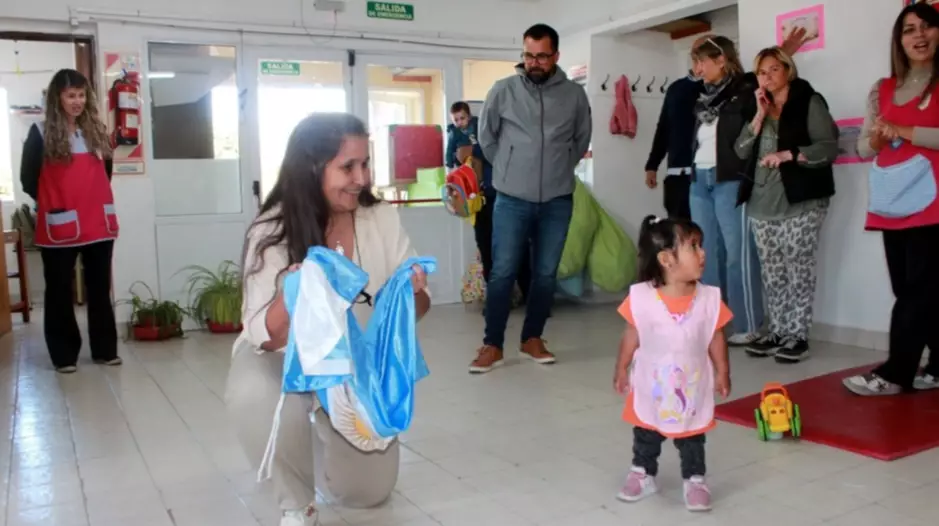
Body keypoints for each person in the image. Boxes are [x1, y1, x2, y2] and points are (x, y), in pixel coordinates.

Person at [225, 113, 431, 526]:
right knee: (252, 391)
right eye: (347, 166)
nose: (361, 178)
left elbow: (420, 307)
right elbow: (263, 336)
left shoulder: (380, 217)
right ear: (312, 168)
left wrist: (409, 296)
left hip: (353, 368)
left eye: (365, 164)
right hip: (281, 359)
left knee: (368, 493)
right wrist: (292, 295)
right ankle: (295, 501)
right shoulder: (271, 229)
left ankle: (322, 436)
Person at [471, 23, 592, 373]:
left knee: (546, 273)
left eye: (542, 56)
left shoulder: (573, 95)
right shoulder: (503, 90)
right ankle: (492, 344)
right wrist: (509, 168)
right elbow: (487, 138)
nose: (534, 63)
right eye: (529, 56)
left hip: (558, 199)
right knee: (502, 272)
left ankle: (532, 339)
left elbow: (581, 139)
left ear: (556, 56)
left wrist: (559, 167)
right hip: (511, 198)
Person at [844, 2, 939, 396]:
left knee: (918, 291)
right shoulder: (881, 89)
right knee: (911, 290)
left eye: (927, 27)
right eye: (909, 29)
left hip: (934, 204)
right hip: (893, 202)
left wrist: (905, 130)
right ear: (899, 40)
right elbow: (863, 148)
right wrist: (880, 138)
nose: (919, 36)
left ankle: (897, 373)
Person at [613, 215, 731, 512]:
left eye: (701, 245)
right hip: (650, 383)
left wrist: (722, 371)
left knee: (692, 435)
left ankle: (695, 479)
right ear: (666, 259)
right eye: (693, 246)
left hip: (691, 384)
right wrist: (621, 367)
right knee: (646, 429)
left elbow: (715, 337)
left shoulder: (709, 299)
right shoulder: (641, 297)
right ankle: (643, 472)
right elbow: (632, 333)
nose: (702, 253)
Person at [734, 47, 838, 363]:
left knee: (798, 270)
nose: (766, 77)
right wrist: (759, 114)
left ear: (788, 70)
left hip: (801, 201)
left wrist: (789, 154)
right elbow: (740, 150)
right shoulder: (757, 106)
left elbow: (828, 147)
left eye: (773, 70)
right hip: (762, 203)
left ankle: (798, 336)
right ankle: (778, 332)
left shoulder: (809, 101)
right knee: (773, 273)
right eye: (761, 72)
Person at [19, 68, 120, 374]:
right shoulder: (40, 132)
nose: (77, 101)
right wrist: (55, 201)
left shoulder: (97, 132)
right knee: (59, 291)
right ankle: (64, 355)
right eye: (70, 95)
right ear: (57, 98)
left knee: (99, 288)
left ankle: (105, 350)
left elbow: (106, 173)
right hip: (59, 223)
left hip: (97, 222)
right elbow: (28, 179)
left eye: (81, 95)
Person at [687, 35, 766, 348]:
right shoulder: (702, 99)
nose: (697, 69)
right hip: (700, 179)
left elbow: (753, 135)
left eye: (702, 61)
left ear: (722, 60)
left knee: (738, 255)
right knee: (705, 256)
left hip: (730, 180)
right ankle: (713, 323)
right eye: (695, 63)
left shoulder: (745, 92)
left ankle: (749, 324)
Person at [446, 101, 531, 303]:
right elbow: (456, 159)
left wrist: (470, 151)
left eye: (462, 118)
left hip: (504, 198)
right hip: (482, 201)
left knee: (514, 248)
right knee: (489, 249)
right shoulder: (458, 136)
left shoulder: (493, 135)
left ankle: (526, 296)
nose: (460, 122)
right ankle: (499, 298)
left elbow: (489, 154)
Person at [644, 69, 703, 220]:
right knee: (678, 229)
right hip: (676, 175)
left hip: (704, 174)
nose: (699, 64)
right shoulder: (676, 89)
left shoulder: (715, 89)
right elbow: (664, 127)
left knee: (705, 229)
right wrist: (652, 165)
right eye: (696, 59)